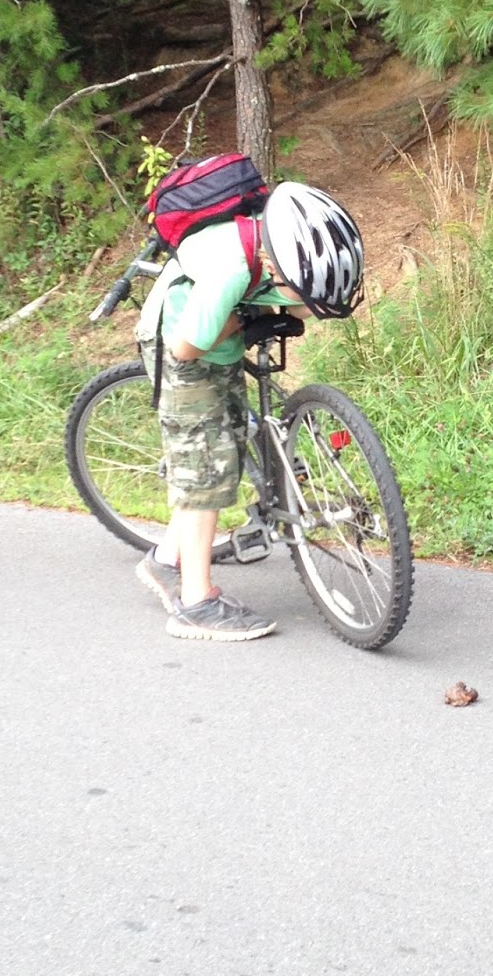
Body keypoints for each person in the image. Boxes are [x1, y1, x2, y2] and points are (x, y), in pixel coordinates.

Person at [132, 179, 365, 641]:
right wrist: (245, 321)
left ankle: (163, 560)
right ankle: (195, 605)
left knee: (227, 444)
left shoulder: (279, 247)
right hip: (179, 344)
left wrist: (281, 311)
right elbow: (185, 347)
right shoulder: (230, 272)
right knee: (207, 469)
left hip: (215, 339)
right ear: (274, 266)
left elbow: (300, 306)